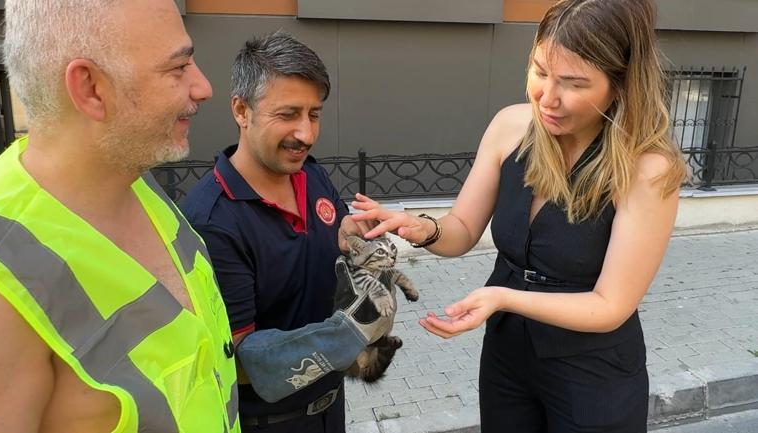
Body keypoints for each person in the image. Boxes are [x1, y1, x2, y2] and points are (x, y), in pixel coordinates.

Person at [351, 0, 688, 432]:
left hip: (592, 372)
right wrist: (421, 228)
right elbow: (463, 230)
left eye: (573, 83)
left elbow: (610, 306)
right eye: (540, 71)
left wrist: (502, 297)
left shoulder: (647, 168)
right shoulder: (510, 126)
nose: (548, 97)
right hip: (508, 358)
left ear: (619, 85)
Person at [0, 0, 239, 432]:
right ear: (90, 88)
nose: (202, 87)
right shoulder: (1, 284)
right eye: (178, 69)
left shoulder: (133, 176)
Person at [181, 32, 371, 433]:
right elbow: (238, 360)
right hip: (268, 423)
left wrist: (360, 243)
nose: (306, 133)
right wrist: (346, 339)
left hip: (330, 410)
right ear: (241, 110)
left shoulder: (310, 174)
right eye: (288, 114)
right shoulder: (212, 221)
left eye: (314, 114)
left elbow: (338, 229)